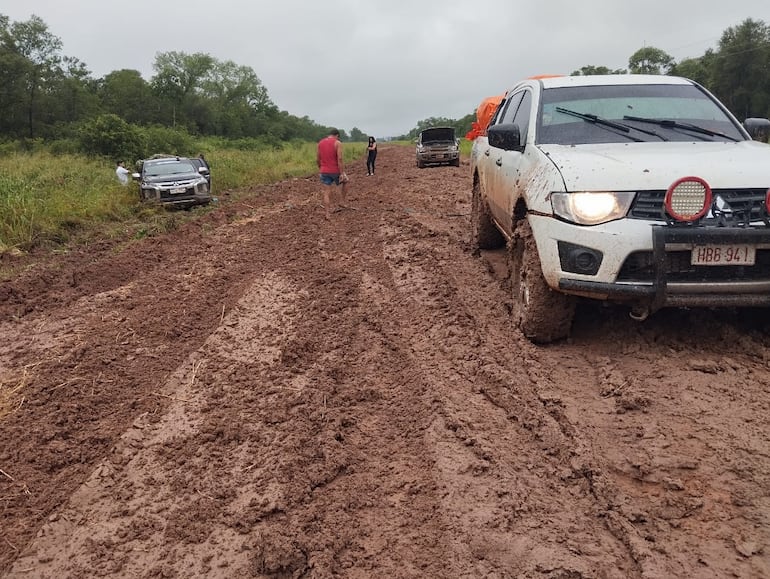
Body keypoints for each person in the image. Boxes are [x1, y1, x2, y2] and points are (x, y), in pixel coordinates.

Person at [316, 128, 348, 219]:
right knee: (346, 181)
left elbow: (318, 159)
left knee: (327, 192)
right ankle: (342, 201)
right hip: (335, 170)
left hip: (324, 170)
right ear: (337, 135)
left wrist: (321, 168)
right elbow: (340, 159)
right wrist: (342, 173)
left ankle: (327, 213)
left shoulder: (320, 143)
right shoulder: (337, 143)